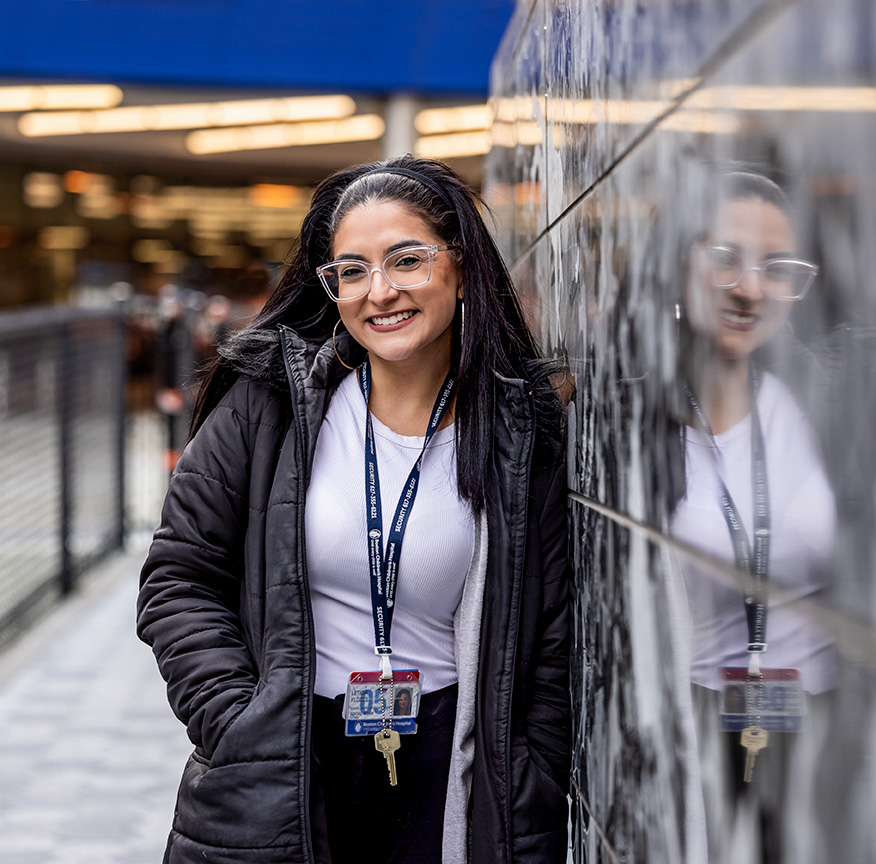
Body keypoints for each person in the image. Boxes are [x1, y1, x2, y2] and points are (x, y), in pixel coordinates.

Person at [137, 155, 571, 864]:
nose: (381, 291)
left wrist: (531, 767)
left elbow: (553, 635)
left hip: (450, 767)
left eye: (407, 260)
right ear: (331, 288)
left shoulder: (519, 433)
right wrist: (236, 720)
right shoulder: (268, 403)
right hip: (287, 757)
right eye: (353, 270)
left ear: (459, 268)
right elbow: (178, 577)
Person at [670, 171, 836, 863]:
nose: (750, 287)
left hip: (826, 730)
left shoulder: (837, 408)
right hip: (688, 730)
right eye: (726, 258)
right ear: (681, 262)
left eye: (778, 269)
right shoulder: (622, 424)